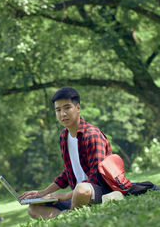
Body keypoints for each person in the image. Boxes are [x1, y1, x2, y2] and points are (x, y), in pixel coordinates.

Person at [19, 87, 122, 219]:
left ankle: (71, 216)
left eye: (67, 108)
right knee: (33, 208)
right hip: (76, 195)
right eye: (58, 110)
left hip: (98, 190)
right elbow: (67, 173)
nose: (63, 114)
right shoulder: (64, 136)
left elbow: (97, 177)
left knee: (81, 189)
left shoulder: (92, 135)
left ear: (78, 108)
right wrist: (42, 193)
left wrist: (65, 196)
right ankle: (68, 216)